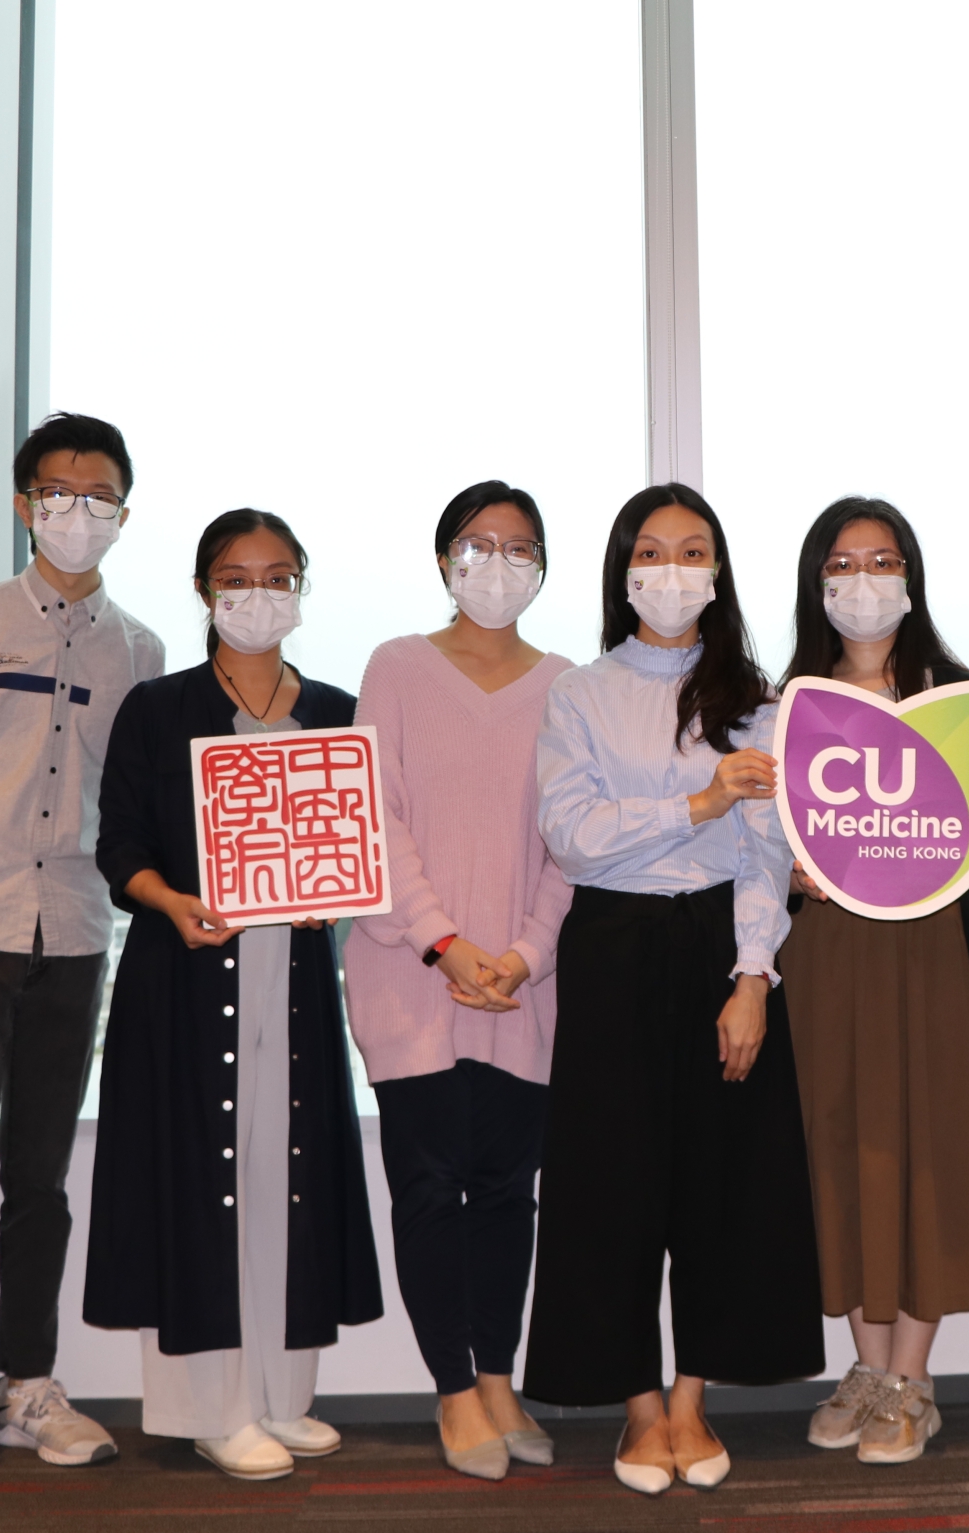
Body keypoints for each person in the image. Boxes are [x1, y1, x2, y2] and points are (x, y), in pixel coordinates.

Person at [523, 484, 823, 1496]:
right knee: (610, 1186)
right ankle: (638, 1408)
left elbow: (763, 850)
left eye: (693, 551)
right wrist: (697, 800)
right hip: (612, 947)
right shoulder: (578, 693)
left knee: (721, 1181)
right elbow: (575, 838)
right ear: (622, 570)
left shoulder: (755, 698)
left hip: (719, 948)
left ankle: (691, 1400)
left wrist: (753, 976)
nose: (671, 571)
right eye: (651, 552)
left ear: (718, 571)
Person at [0, 412, 165, 1494]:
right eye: (58, 493)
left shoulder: (139, 650)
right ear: (24, 504)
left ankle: (29, 1386)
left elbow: (127, 802)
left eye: (99, 497)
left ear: (124, 514)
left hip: (76, 929)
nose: (76, 513)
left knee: (41, 1181)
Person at [83, 510, 382, 1482]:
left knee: (285, 1176)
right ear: (204, 591)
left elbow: (358, 844)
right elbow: (118, 843)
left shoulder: (335, 713)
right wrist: (169, 900)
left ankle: (280, 1396)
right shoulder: (158, 708)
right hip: (183, 979)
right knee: (197, 1183)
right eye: (236, 577)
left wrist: (333, 893)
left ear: (301, 586)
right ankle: (208, 1410)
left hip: (292, 980)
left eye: (277, 575)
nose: (258, 594)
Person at [780, 497, 969, 1468]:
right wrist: (786, 869)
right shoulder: (789, 704)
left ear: (911, 576)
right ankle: (868, 1368)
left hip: (933, 958)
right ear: (816, 584)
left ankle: (913, 1380)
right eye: (842, 564)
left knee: (931, 1153)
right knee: (842, 1151)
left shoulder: (957, 697)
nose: (864, 582)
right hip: (827, 960)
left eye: (883, 561)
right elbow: (760, 845)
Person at [346, 480, 574, 1480]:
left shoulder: (568, 684)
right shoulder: (396, 666)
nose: (497, 563)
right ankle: (452, 1388)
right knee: (432, 1189)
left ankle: (497, 1376)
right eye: (477, 544)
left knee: (508, 1193)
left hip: (524, 984)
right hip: (412, 976)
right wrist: (445, 943)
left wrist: (523, 953)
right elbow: (374, 815)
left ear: (542, 568)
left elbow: (571, 841)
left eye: (519, 548)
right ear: (444, 560)